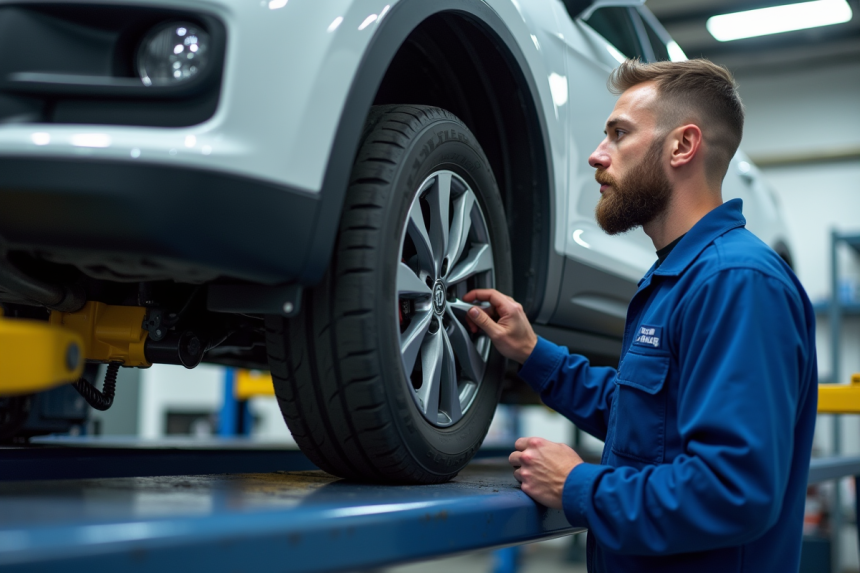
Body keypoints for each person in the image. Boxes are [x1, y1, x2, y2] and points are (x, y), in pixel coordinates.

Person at [464, 59, 818, 572]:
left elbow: (733, 491)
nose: (595, 155)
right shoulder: (681, 276)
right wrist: (533, 353)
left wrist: (577, 485)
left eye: (618, 134)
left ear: (682, 146)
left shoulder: (737, 282)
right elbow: (648, 421)